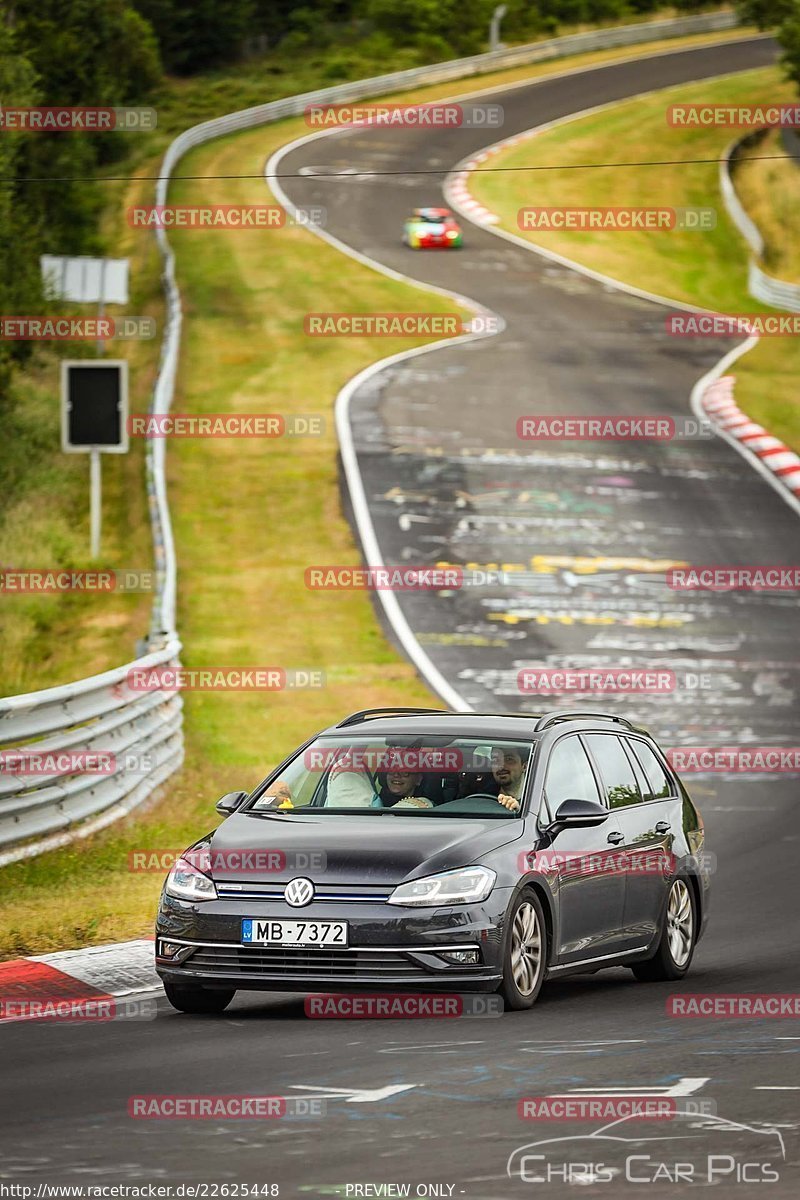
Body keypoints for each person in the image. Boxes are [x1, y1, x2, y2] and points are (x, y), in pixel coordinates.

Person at [490, 744, 529, 812]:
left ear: (525, 766)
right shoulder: (483, 797)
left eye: (509, 759)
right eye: (495, 760)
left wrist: (518, 811)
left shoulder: (535, 797)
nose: (501, 766)